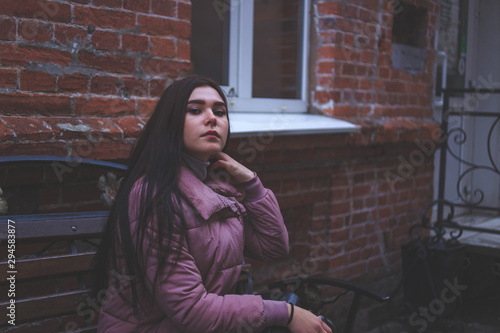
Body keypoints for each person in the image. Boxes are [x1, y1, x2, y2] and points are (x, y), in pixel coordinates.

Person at [90, 76, 332, 333]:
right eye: (195, 110)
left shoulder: (218, 190)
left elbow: (273, 248)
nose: (212, 118)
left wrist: (251, 182)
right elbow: (192, 311)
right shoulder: (153, 198)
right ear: (170, 123)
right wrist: (286, 313)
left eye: (220, 112)